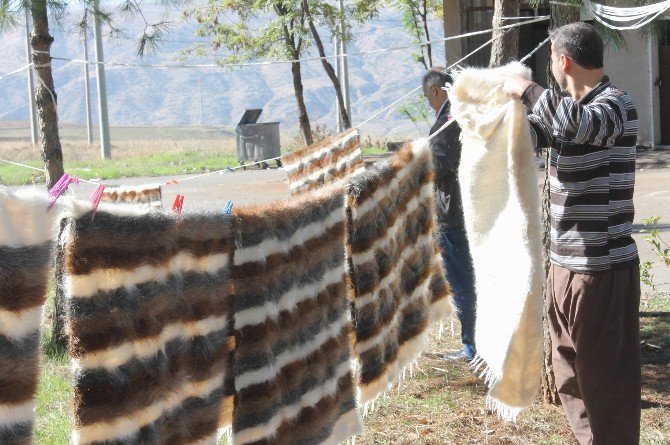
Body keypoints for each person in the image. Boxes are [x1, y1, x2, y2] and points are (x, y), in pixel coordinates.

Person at [502, 22, 640, 445]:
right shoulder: (564, 113)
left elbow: (580, 125)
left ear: (563, 61)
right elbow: (533, 134)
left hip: (602, 271)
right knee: (570, 377)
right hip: (564, 268)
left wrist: (525, 88)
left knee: (607, 384)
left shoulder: (615, 106)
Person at [422, 67, 477, 361]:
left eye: (427, 97)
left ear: (435, 90)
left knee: (462, 281)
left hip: (453, 212)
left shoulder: (449, 119)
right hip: (464, 209)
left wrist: (415, 165)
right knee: (466, 278)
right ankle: (474, 342)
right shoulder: (461, 114)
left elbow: (438, 163)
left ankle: (472, 345)